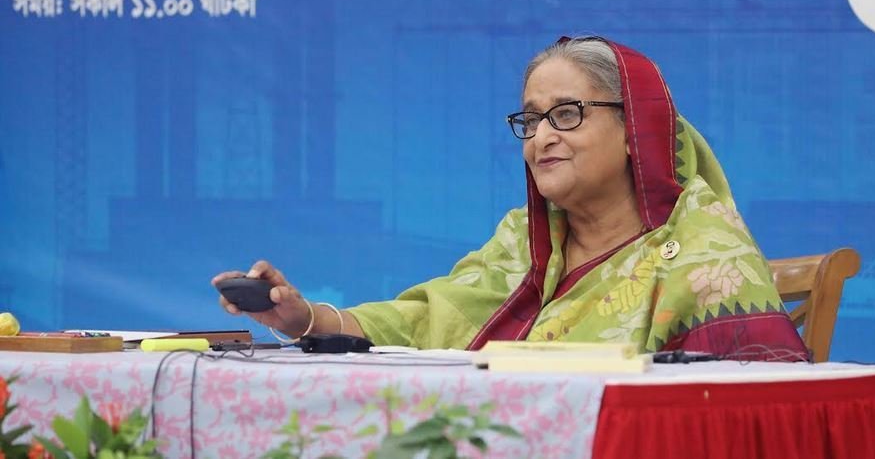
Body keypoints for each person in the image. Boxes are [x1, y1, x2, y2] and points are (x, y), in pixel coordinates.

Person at [213, 36, 808, 360]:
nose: (541, 137)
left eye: (567, 114)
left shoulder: (702, 249)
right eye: (531, 119)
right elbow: (430, 318)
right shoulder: (524, 242)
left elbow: (753, 407)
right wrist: (304, 319)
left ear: (636, 130)